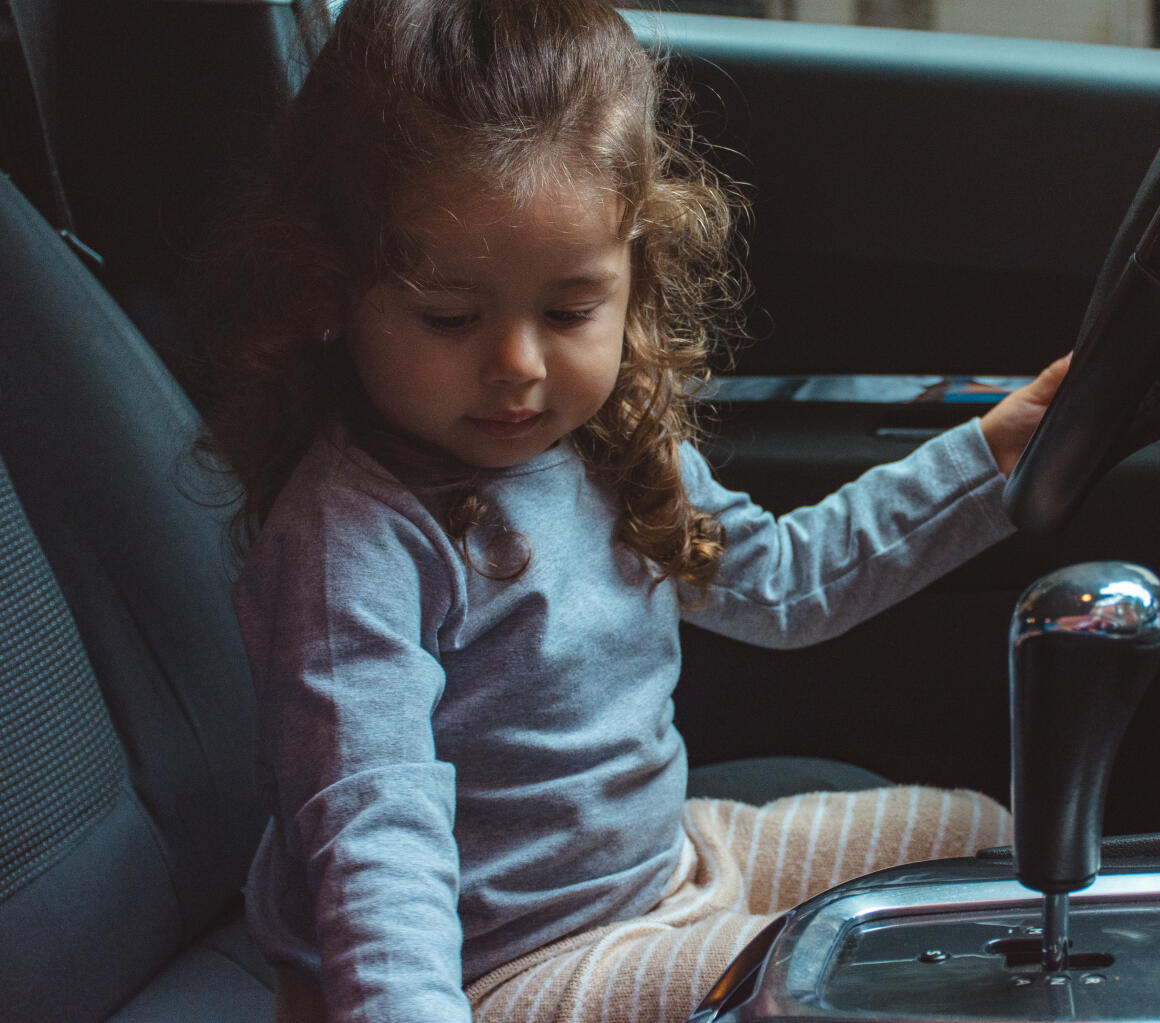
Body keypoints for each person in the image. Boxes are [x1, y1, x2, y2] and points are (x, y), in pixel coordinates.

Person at [196, 0, 1071, 1020]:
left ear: (631, 277)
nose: (517, 367)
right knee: (856, 985)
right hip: (506, 970)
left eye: (569, 311)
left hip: (672, 866)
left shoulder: (602, 447)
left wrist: (992, 452)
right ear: (333, 291)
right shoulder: (354, 543)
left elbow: (787, 585)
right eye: (449, 317)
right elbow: (370, 833)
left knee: (986, 841)